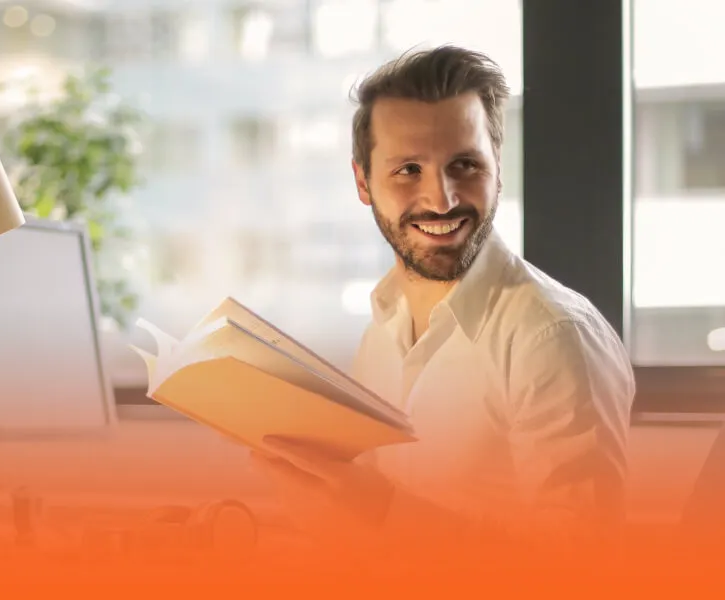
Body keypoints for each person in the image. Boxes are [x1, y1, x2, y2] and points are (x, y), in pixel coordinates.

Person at [251, 45, 635, 560]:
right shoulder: (383, 328)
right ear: (363, 183)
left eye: (464, 165)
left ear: (498, 167)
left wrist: (377, 505)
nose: (442, 199)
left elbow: (584, 570)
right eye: (408, 169)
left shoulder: (553, 335)